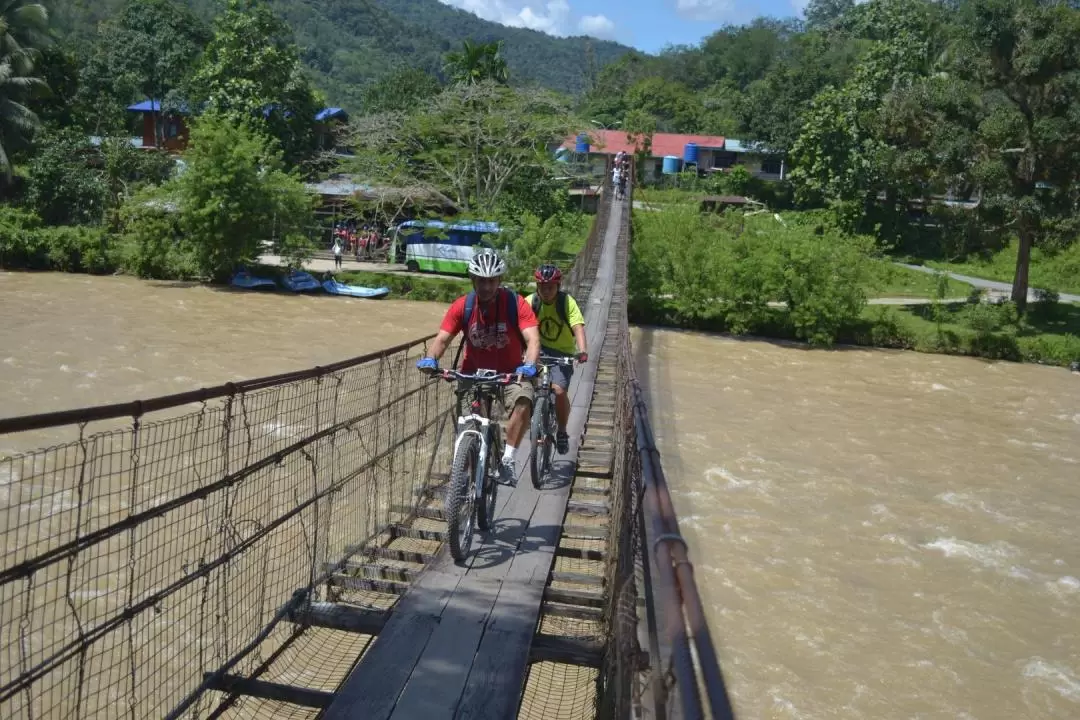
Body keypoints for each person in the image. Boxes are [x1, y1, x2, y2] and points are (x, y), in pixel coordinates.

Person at [416, 248, 541, 487]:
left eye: (491, 281)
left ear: (499, 281)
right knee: (468, 426)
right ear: (473, 280)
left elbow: (532, 339)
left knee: (524, 399)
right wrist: (430, 359)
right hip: (472, 374)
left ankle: (507, 460)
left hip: (510, 374)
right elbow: (442, 340)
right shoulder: (462, 306)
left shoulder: (515, 304)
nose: (486, 287)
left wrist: (529, 365)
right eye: (481, 281)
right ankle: (467, 479)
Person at [526, 264, 588, 454]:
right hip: (537, 349)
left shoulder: (567, 303)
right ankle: (536, 417)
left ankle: (561, 431)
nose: (546, 291)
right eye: (542, 287)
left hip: (562, 353)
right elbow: (518, 326)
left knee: (559, 391)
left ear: (558, 286)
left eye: (550, 287)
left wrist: (583, 350)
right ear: (537, 286)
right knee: (524, 385)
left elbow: (577, 327)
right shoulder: (530, 301)